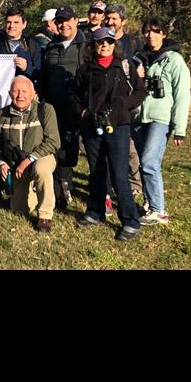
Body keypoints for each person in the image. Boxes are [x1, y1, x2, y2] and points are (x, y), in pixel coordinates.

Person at [71, 27, 146, 241]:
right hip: (92, 126)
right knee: (96, 171)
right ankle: (95, 213)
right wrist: (82, 111)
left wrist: (123, 105)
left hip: (118, 125)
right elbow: (74, 95)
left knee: (119, 173)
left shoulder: (124, 66)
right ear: (93, 45)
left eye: (109, 42)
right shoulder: (86, 69)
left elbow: (140, 92)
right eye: (100, 42)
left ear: (114, 44)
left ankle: (130, 221)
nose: (104, 45)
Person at [133, 18, 191, 226]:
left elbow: (182, 95)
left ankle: (159, 210)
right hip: (139, 117)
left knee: (150, 162)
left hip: (161, 118)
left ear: (164, 34)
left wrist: (179, 128)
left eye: (155, 31)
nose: (151, 35)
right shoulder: (139, 58)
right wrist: (136, 76)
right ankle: (150, 203)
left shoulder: (174, 60)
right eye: (147, 32)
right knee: (143, 163)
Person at [0, 76, 61, 232]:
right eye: (16, 91)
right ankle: (34, 191)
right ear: (9, 93)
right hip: (17, 165)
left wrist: (29, 159)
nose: (20, 95)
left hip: (42, 157)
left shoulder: (45, 110)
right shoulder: (1, 115)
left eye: (24, 91)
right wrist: (1, 163)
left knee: (41, 170)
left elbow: (53, 142)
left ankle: (45, 216)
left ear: (33, 93)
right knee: (18, 210)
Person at [38, 4, 91, 207]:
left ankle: (96, 190)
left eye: (67, 20)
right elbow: (45, 76)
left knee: (77, 149)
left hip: (79, 107)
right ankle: (61, 185)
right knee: (58, 146)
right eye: (59, 21)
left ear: (76, 20)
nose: (64, 25)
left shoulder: (87, 45)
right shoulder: (51, 47)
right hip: (55, 106)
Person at [104, 2, 144, 198]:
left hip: (126, 103)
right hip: (106, 104)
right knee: (109, 148)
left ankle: (135, 184)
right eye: (108, 18)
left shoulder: (133, 43)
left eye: (114, 19)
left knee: (130, 148)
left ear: (123, 21)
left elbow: (142, 66)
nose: (110, 22)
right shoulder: (102, 40)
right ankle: (111, 184)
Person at [0, 7, 36, 77]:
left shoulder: (32, 45)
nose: (11, 26)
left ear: (24, 24)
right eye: (8, 22)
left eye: (16, 22)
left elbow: (40, 74)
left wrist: (26, 68)